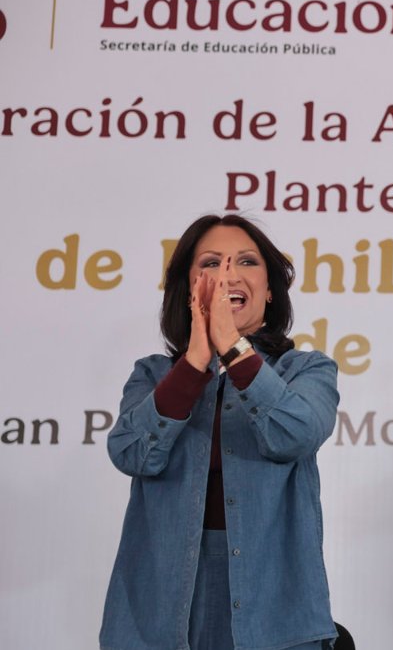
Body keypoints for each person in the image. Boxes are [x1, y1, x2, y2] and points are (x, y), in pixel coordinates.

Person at [99, 215, 340, 650]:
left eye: (246, 262)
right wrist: (194, 361)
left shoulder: (305, 370)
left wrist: (233, 347)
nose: (228, 274)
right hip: (155, 615)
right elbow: (131, 453)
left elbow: (295, 433)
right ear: (188, 289)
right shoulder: (153, 375)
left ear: (269, 291)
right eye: (211, 263)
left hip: (276, 616)